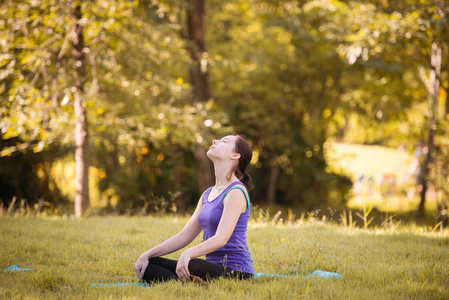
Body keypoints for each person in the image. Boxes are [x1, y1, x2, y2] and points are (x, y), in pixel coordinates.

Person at [134, 135, 255, 283]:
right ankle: (188, 285)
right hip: (208, 268)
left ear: (235, 155)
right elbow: (184, 236)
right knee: (150, 264)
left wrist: (188, 253)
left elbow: (221, 238)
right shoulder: (208, 194)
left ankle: (186, 283)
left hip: (237, 272)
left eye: (224, 141)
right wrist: (147, 254)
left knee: (193, 264)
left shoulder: (236, 191)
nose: (214, 141)